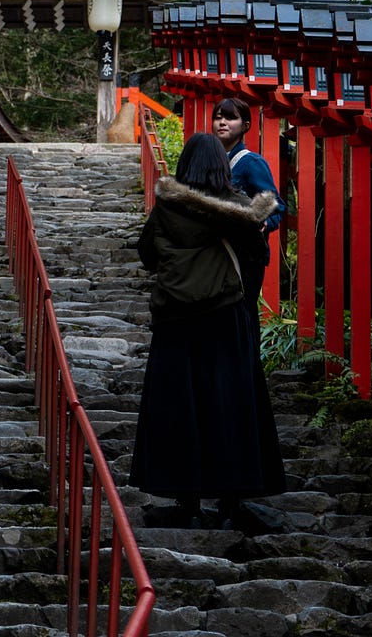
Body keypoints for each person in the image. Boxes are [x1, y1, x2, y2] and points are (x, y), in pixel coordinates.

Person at [129, 133, 288, 528]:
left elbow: (148, 254)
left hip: (175, 320)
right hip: (225, 316)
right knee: (231, 405)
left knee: (179, 406)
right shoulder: (238, 210)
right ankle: (233, 500)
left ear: (185, 166)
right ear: (221, 165)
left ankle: (185, 502)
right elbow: (256, 255)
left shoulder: (166, 208)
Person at [211, 97, 286, 327]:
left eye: (230, 117)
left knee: (243, 316)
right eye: (218, 117)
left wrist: (263, 223)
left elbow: (275, 205)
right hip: (217, 253)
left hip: (245, 256)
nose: (222, 122)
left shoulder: (251, 162)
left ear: (245, 126)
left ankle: (249, 363)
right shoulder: (212, 160)